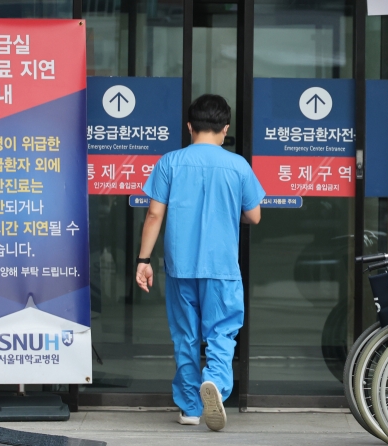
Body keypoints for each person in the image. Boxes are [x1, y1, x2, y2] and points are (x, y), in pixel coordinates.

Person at [135, 94, 265, 431]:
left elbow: (153, 215)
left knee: (185, 336)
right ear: (225, 129)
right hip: (221, 266)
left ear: (189, 126)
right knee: (222, 331)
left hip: (181, 267)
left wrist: (143, 260)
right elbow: (254, 215)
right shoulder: (237, 165)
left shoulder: (170, 162)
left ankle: (191, 407)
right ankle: (216, 386)